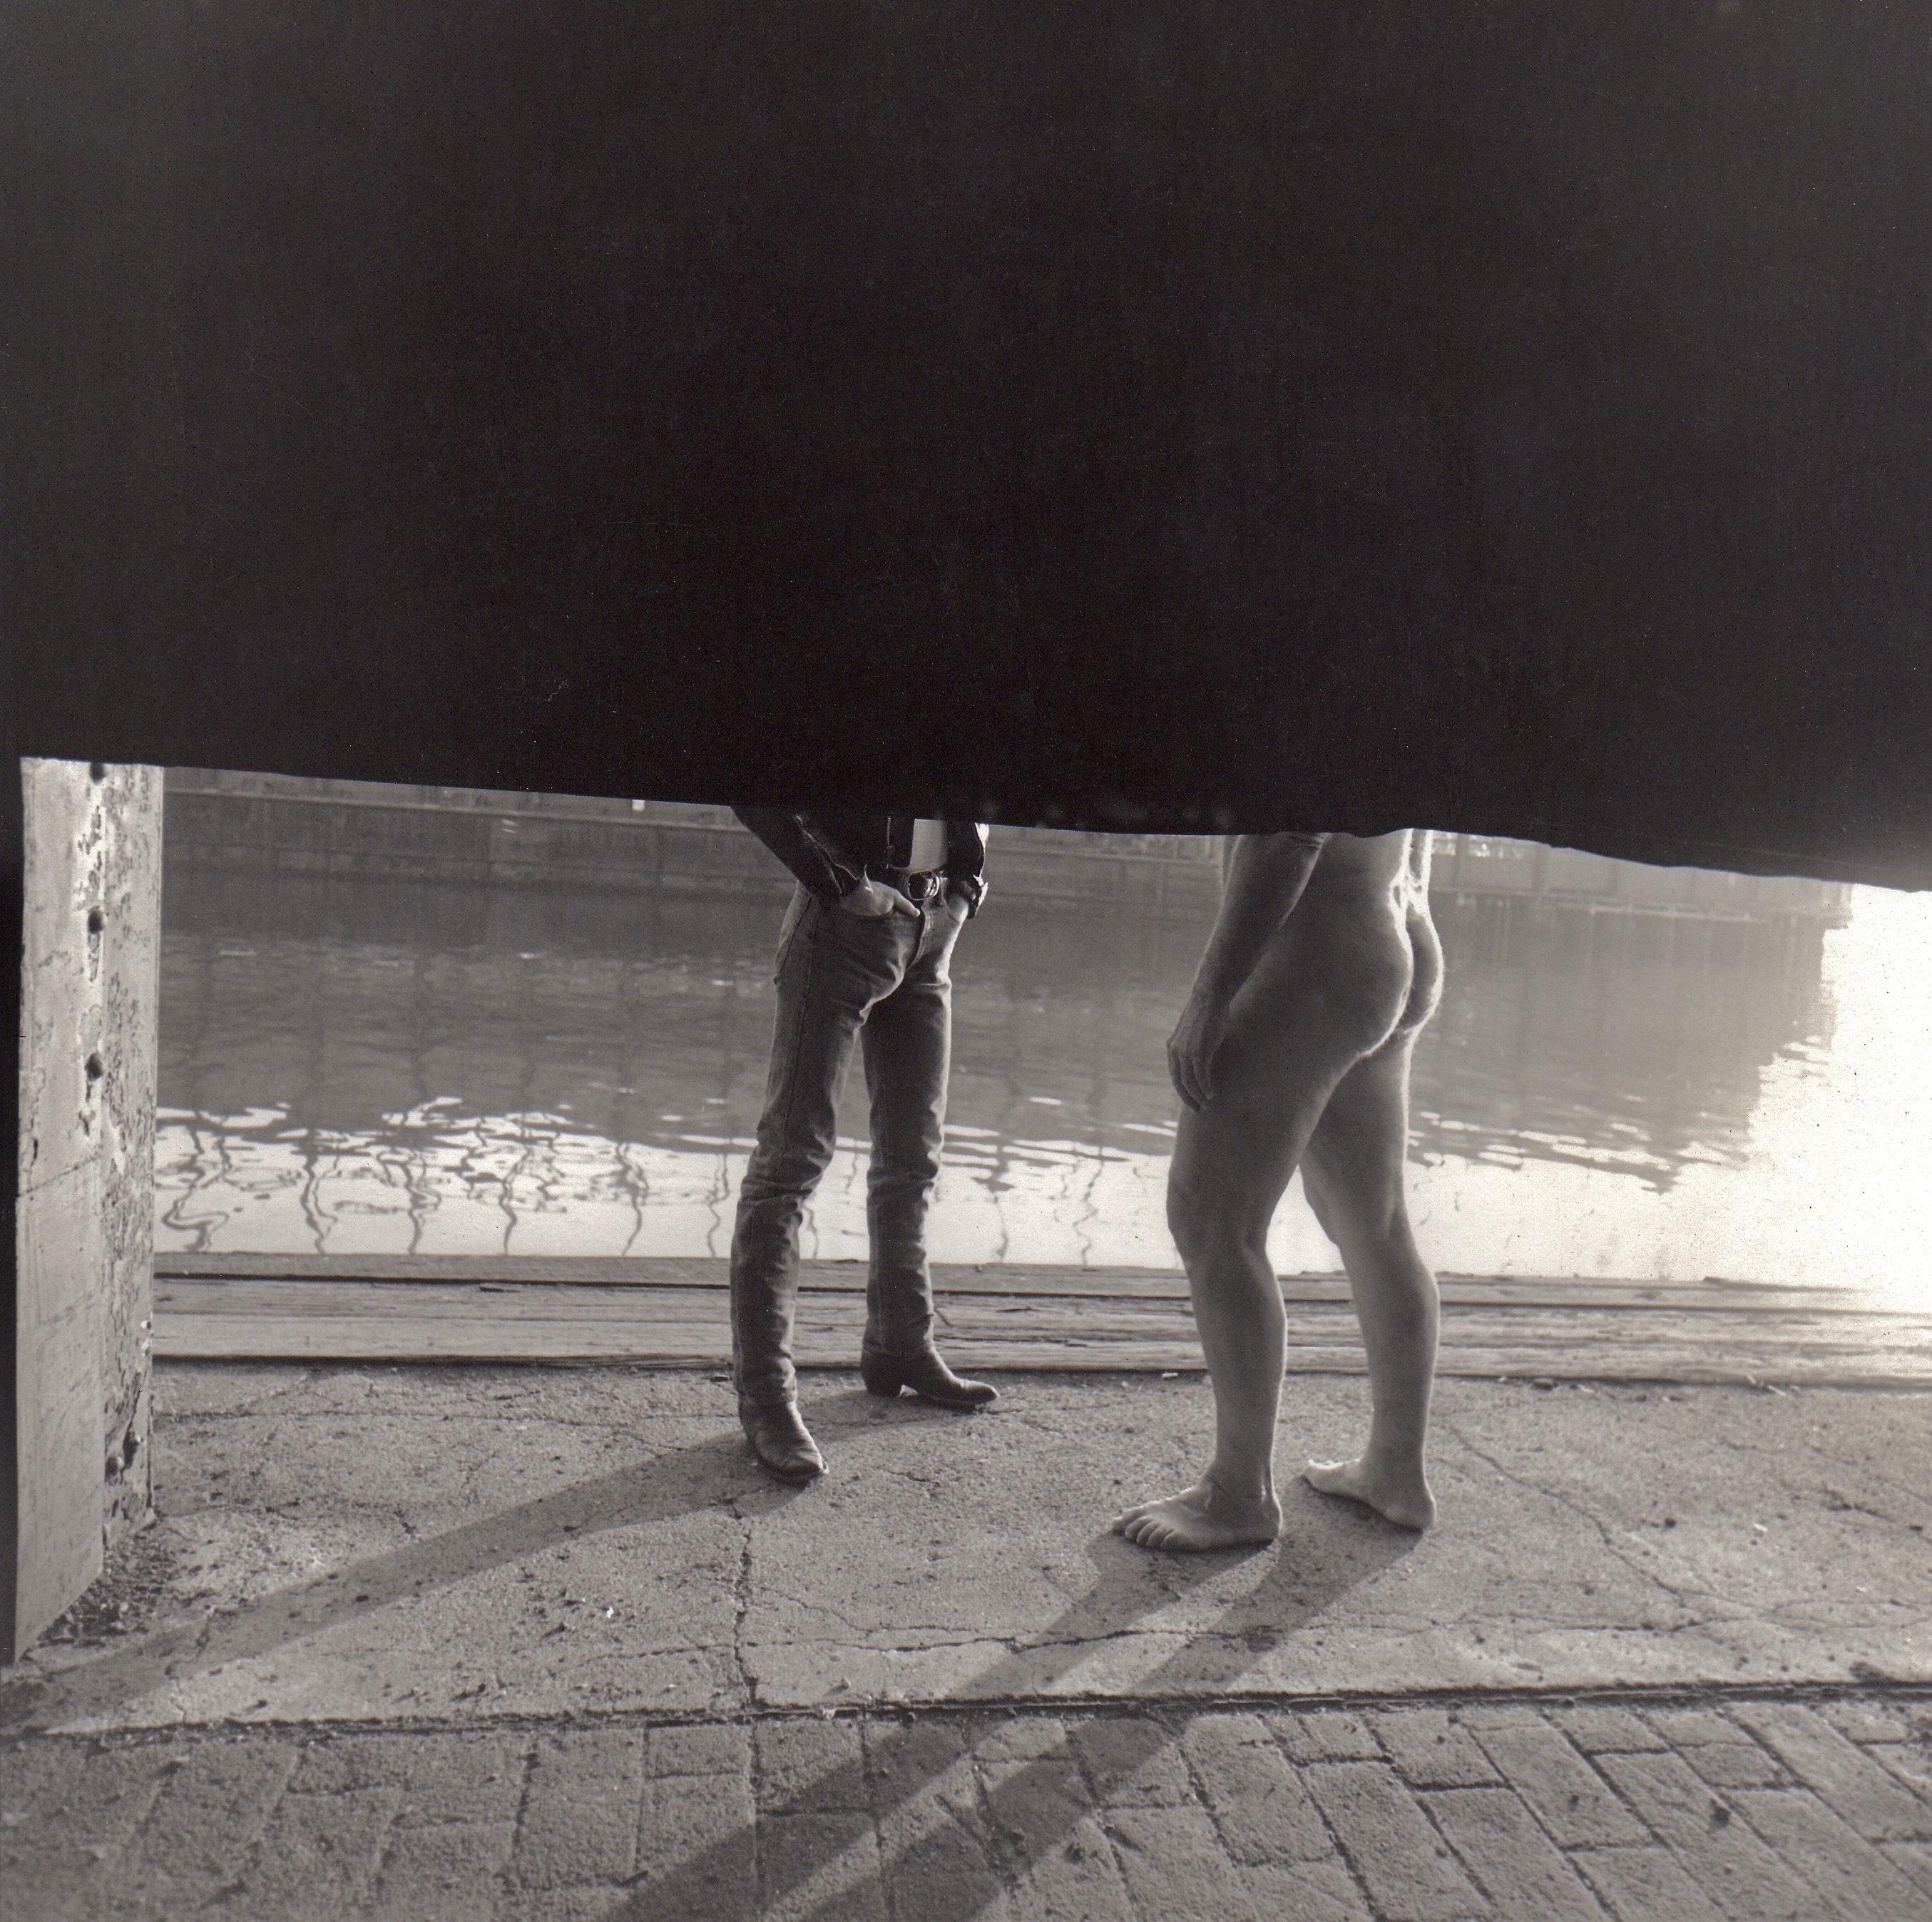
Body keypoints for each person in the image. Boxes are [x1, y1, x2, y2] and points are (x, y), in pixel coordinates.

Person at [1113, 829, 1443, 1551]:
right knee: (1373, 1220)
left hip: (1318, 947)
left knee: (1210, 1219)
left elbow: (1290, 837)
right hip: (1396, 924)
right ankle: (1395, 1471)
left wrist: (1210, 997)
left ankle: (1238, 1494)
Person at [727, 810, 998, 1483]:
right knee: (790, 1165)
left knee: (913, 1158)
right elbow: (743, 772)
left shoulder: (973, 701)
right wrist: (840, 883)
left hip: (932, 928)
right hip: (841, 924)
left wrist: (964, 888)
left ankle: (900, 1344)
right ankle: (766, 1396)